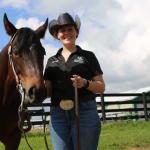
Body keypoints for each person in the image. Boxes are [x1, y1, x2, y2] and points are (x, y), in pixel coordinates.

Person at [44, 12, 105, 150]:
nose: (66, 33)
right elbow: (47, 91)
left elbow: (101, 87)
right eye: (62, 30)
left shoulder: (88, 56)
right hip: (58, 115)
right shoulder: (51, 61)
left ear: (76, 32)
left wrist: (85, 83)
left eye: (70, 29)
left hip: (84, 112)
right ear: (57, 35)